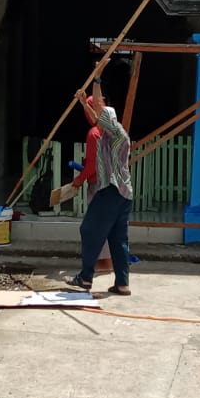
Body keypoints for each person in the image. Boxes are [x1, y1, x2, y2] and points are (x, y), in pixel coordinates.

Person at [61, 86, 134, 296]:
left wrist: (98, 82)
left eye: (101, 116)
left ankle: (85, 278)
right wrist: (85, 103)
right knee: (118, 238)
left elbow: (99, 121)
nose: (97, 121)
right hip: (124, 194)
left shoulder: (113, 135)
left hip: (110, 191)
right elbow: (96, 119)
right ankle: (122, 283)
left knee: (89, 230)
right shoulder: (111, 133)